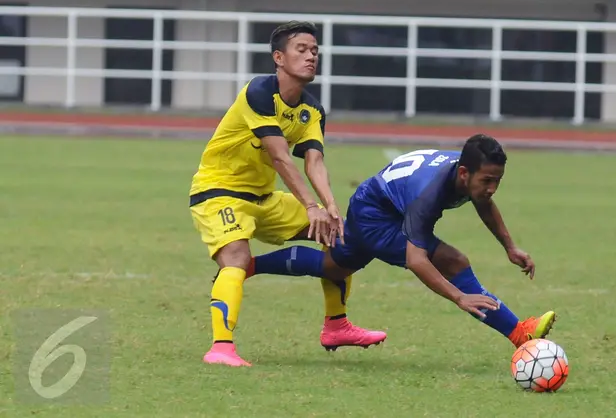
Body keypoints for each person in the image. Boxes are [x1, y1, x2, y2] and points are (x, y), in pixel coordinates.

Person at [188, 21, 386, 367]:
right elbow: (279, 156)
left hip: (264, 198)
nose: (311, 56)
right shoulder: (259, 92)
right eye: (301, 50)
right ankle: (221, 349)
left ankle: (336, 326)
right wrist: (310, 204)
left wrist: (330, 208)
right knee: (235, 256)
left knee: (340, 238)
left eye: (314, 51)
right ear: (278, 57)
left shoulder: (312, 110)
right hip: (218, 193)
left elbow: (314, 161)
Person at [246, 134, 557, 349]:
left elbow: (483, 202)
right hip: (375, 215)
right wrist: (459, 297)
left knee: (333, 267)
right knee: (454, 261)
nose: (492, 188)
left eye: (497, 181)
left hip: (377, 201)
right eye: (487, 181)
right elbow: (416, 260)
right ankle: (519, 332)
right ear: (463, 173)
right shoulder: (429, 195)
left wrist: (510, 247)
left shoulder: (466, 172)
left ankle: (250, 265)